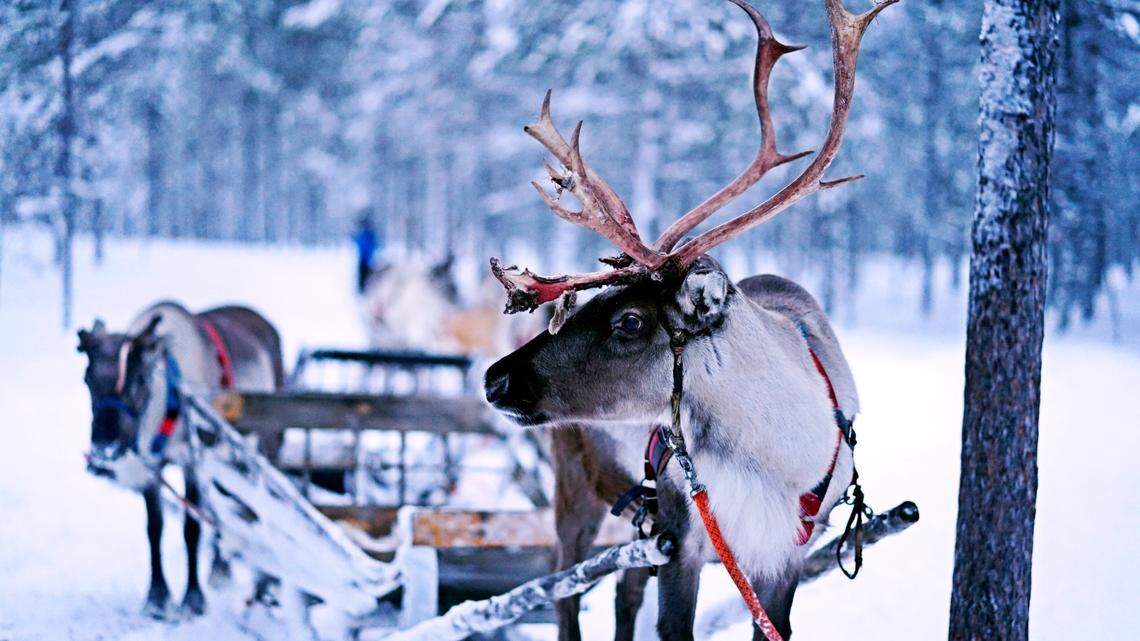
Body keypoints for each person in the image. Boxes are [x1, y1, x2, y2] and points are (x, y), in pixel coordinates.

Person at [352, 212, 380, 293]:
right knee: (365, 277)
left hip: (366, 259)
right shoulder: (367, 234)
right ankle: (363, 290)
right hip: (366, 259)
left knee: (366, 277)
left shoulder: (368, 234)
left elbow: (372, 245)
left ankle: (364, 290)